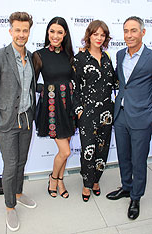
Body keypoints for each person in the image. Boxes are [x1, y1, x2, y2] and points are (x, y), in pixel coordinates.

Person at [0, 12, 36, 231]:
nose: (21, 34)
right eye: (17, 30)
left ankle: (18, 192)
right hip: (5, 122)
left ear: (29, 32)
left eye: (25, 30)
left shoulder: (31, 56)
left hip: (26, 119)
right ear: (10, 31)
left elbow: (29, 88)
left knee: (21, 161)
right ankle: (9, 206)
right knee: (11, 165)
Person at [106, 16, 152, 220]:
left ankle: (136, 196)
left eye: (134, 30)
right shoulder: (119, 54)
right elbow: (120, 81)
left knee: (138, 160)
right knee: (123, 156)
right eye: (126, 31)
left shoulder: (151, 57)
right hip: (121, 114)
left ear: (143, 32)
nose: (129, 35)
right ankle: (126, 187)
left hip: (142, 117)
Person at [72, 20, 117, 202]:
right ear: (89, 35)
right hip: (88, 112)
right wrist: (79, 110)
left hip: (106, 111)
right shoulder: (80, 58)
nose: (99, 38)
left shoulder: (107, 57)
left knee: (103, 148)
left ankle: (96, 180)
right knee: (88, 149)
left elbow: (114, 82)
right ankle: (86, 183)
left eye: (102, 35)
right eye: (95, 34)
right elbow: (74, 87)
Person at [32, 17, 75, 199]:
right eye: (52, 31)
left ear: (65, 34)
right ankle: (53, 178)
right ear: (47, 32)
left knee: (65, 150)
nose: (55, 36)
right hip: (51, 108)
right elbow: (32, 84)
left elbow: (76, 79)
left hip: (68, 107)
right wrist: (49, 90)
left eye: (59, 32)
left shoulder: (70, 55)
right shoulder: (39, 55)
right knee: (65, 151)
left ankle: (60, 180)